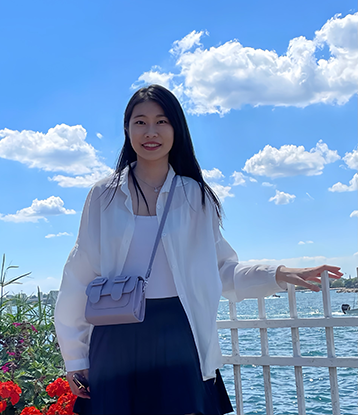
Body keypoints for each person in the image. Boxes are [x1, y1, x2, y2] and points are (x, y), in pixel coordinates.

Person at [54, 84, 342, 415]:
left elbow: (222, 270)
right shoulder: (103, 196)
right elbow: (78, 276)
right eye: (140, 122)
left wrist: (279, 274)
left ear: (177, 128)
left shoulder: (195, 196)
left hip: (179, 331)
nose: (151, 132)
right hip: (116, 336)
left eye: (162, 122)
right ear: (127, 128)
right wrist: (76, 356)